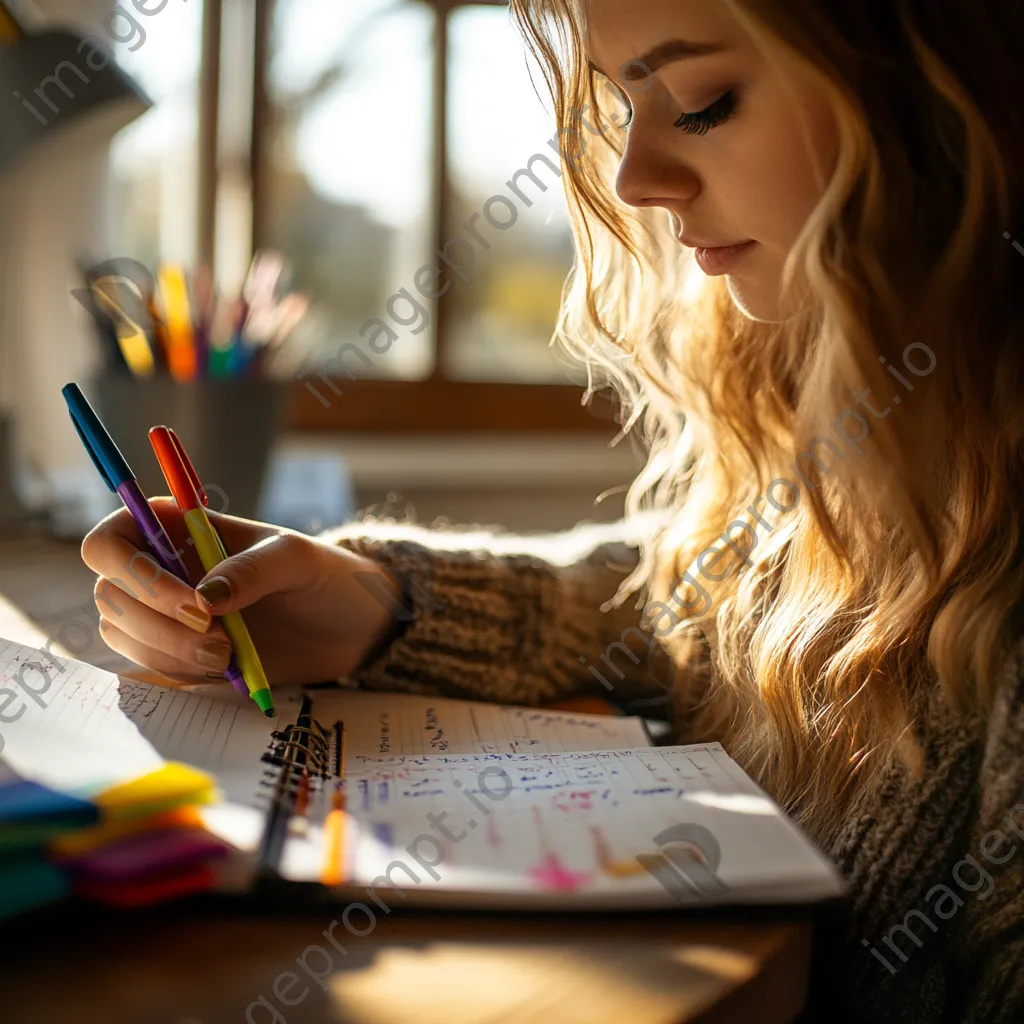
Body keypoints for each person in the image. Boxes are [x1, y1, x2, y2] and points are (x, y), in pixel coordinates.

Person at [80, 0, 1024, 1020]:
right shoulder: (853, 404)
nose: (633, 181)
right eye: (626, 105)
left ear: (939, 89)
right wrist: (379, 602)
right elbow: (695, 592)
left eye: (705, 103)